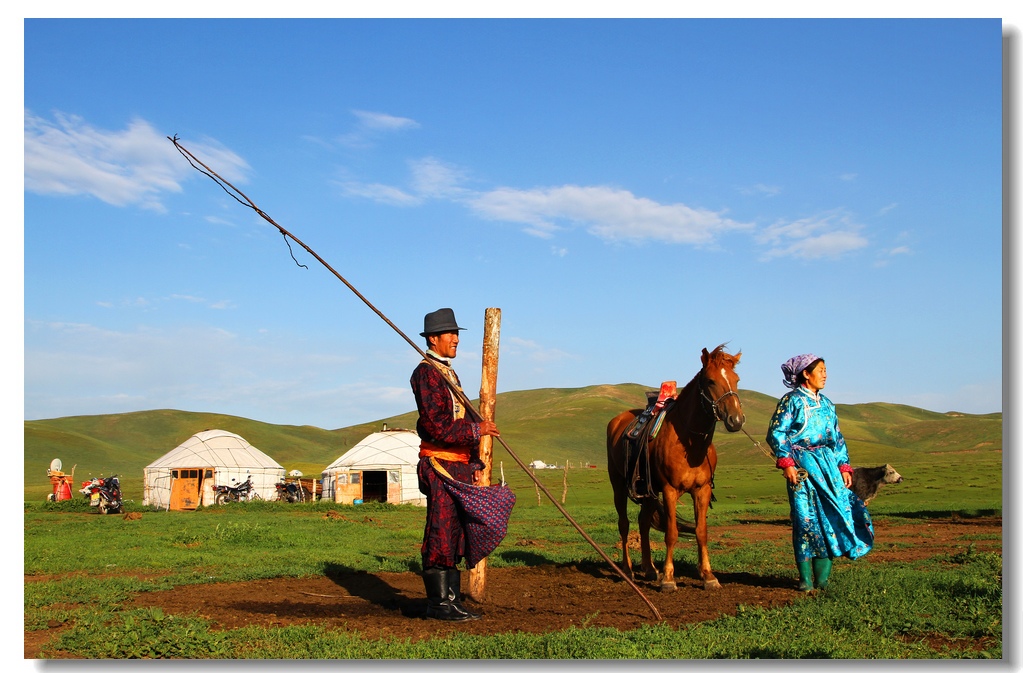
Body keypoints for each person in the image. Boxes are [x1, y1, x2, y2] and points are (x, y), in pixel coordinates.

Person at [410, 307, 500, 621]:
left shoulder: (448, 373)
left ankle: (452, 600)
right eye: (450, 334)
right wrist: (477, 430)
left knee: (457, 532)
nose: (456, 339)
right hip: (439, 464)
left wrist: (475, 461)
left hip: (459, 465)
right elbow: (436, 426)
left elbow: (461, 419)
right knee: (440, 530)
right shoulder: (426, 373)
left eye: (457, 333)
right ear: (433, 339)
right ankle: (438, 605)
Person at [766, 354, 873, 591]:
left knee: (832, 517)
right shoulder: (791, 401)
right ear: (806, 373)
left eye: (826, 370)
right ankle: (805, 580)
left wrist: (843, 466)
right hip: (802, 465)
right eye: (821, 369)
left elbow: (837, 438)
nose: (825, 374)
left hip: (828, 466)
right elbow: (776, 433)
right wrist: (787, 463)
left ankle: (823, 581)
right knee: (805, 520)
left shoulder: (827, 404)